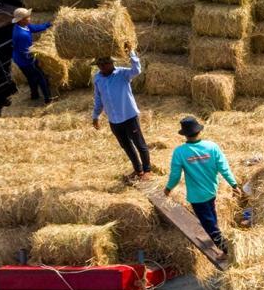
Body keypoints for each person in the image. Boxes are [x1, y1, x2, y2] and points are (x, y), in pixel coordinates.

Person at [164, 116, 239, 252]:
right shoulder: (212, 147)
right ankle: (222, 243)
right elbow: (224, 168)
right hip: (211, 191)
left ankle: (226, 250)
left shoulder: (180, 152)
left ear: (185, 134)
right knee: (211, 216)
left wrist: (168, 189)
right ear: (199, 131)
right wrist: (234, 185)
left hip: (197, 196)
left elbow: (175, 175)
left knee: (208, 224)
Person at [91, 44, 151, 180]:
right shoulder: (98, 79)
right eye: (100, 64)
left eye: (106, 63)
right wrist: (95, 116)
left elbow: (137, 70)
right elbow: (98, 98)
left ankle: (147, 170)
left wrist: (131, 53)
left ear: (112, 63)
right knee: (126, 146)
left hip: (129, 116)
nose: (103, 66)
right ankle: (138, 170)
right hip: (114, 120)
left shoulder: (122, 73)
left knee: (139, 144)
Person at [10, 8, 53, 104]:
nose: (29, 18)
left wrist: (47, 25)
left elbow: (34, 28)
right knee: (41, 77)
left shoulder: (23, 26)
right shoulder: (21, 35)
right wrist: (34, 60)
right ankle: (48, 99)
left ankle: (34, 95)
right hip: (25, 61)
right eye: (27, 17)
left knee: (31, 77)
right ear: (21, 20)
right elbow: (26, 52)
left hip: (20, 58)